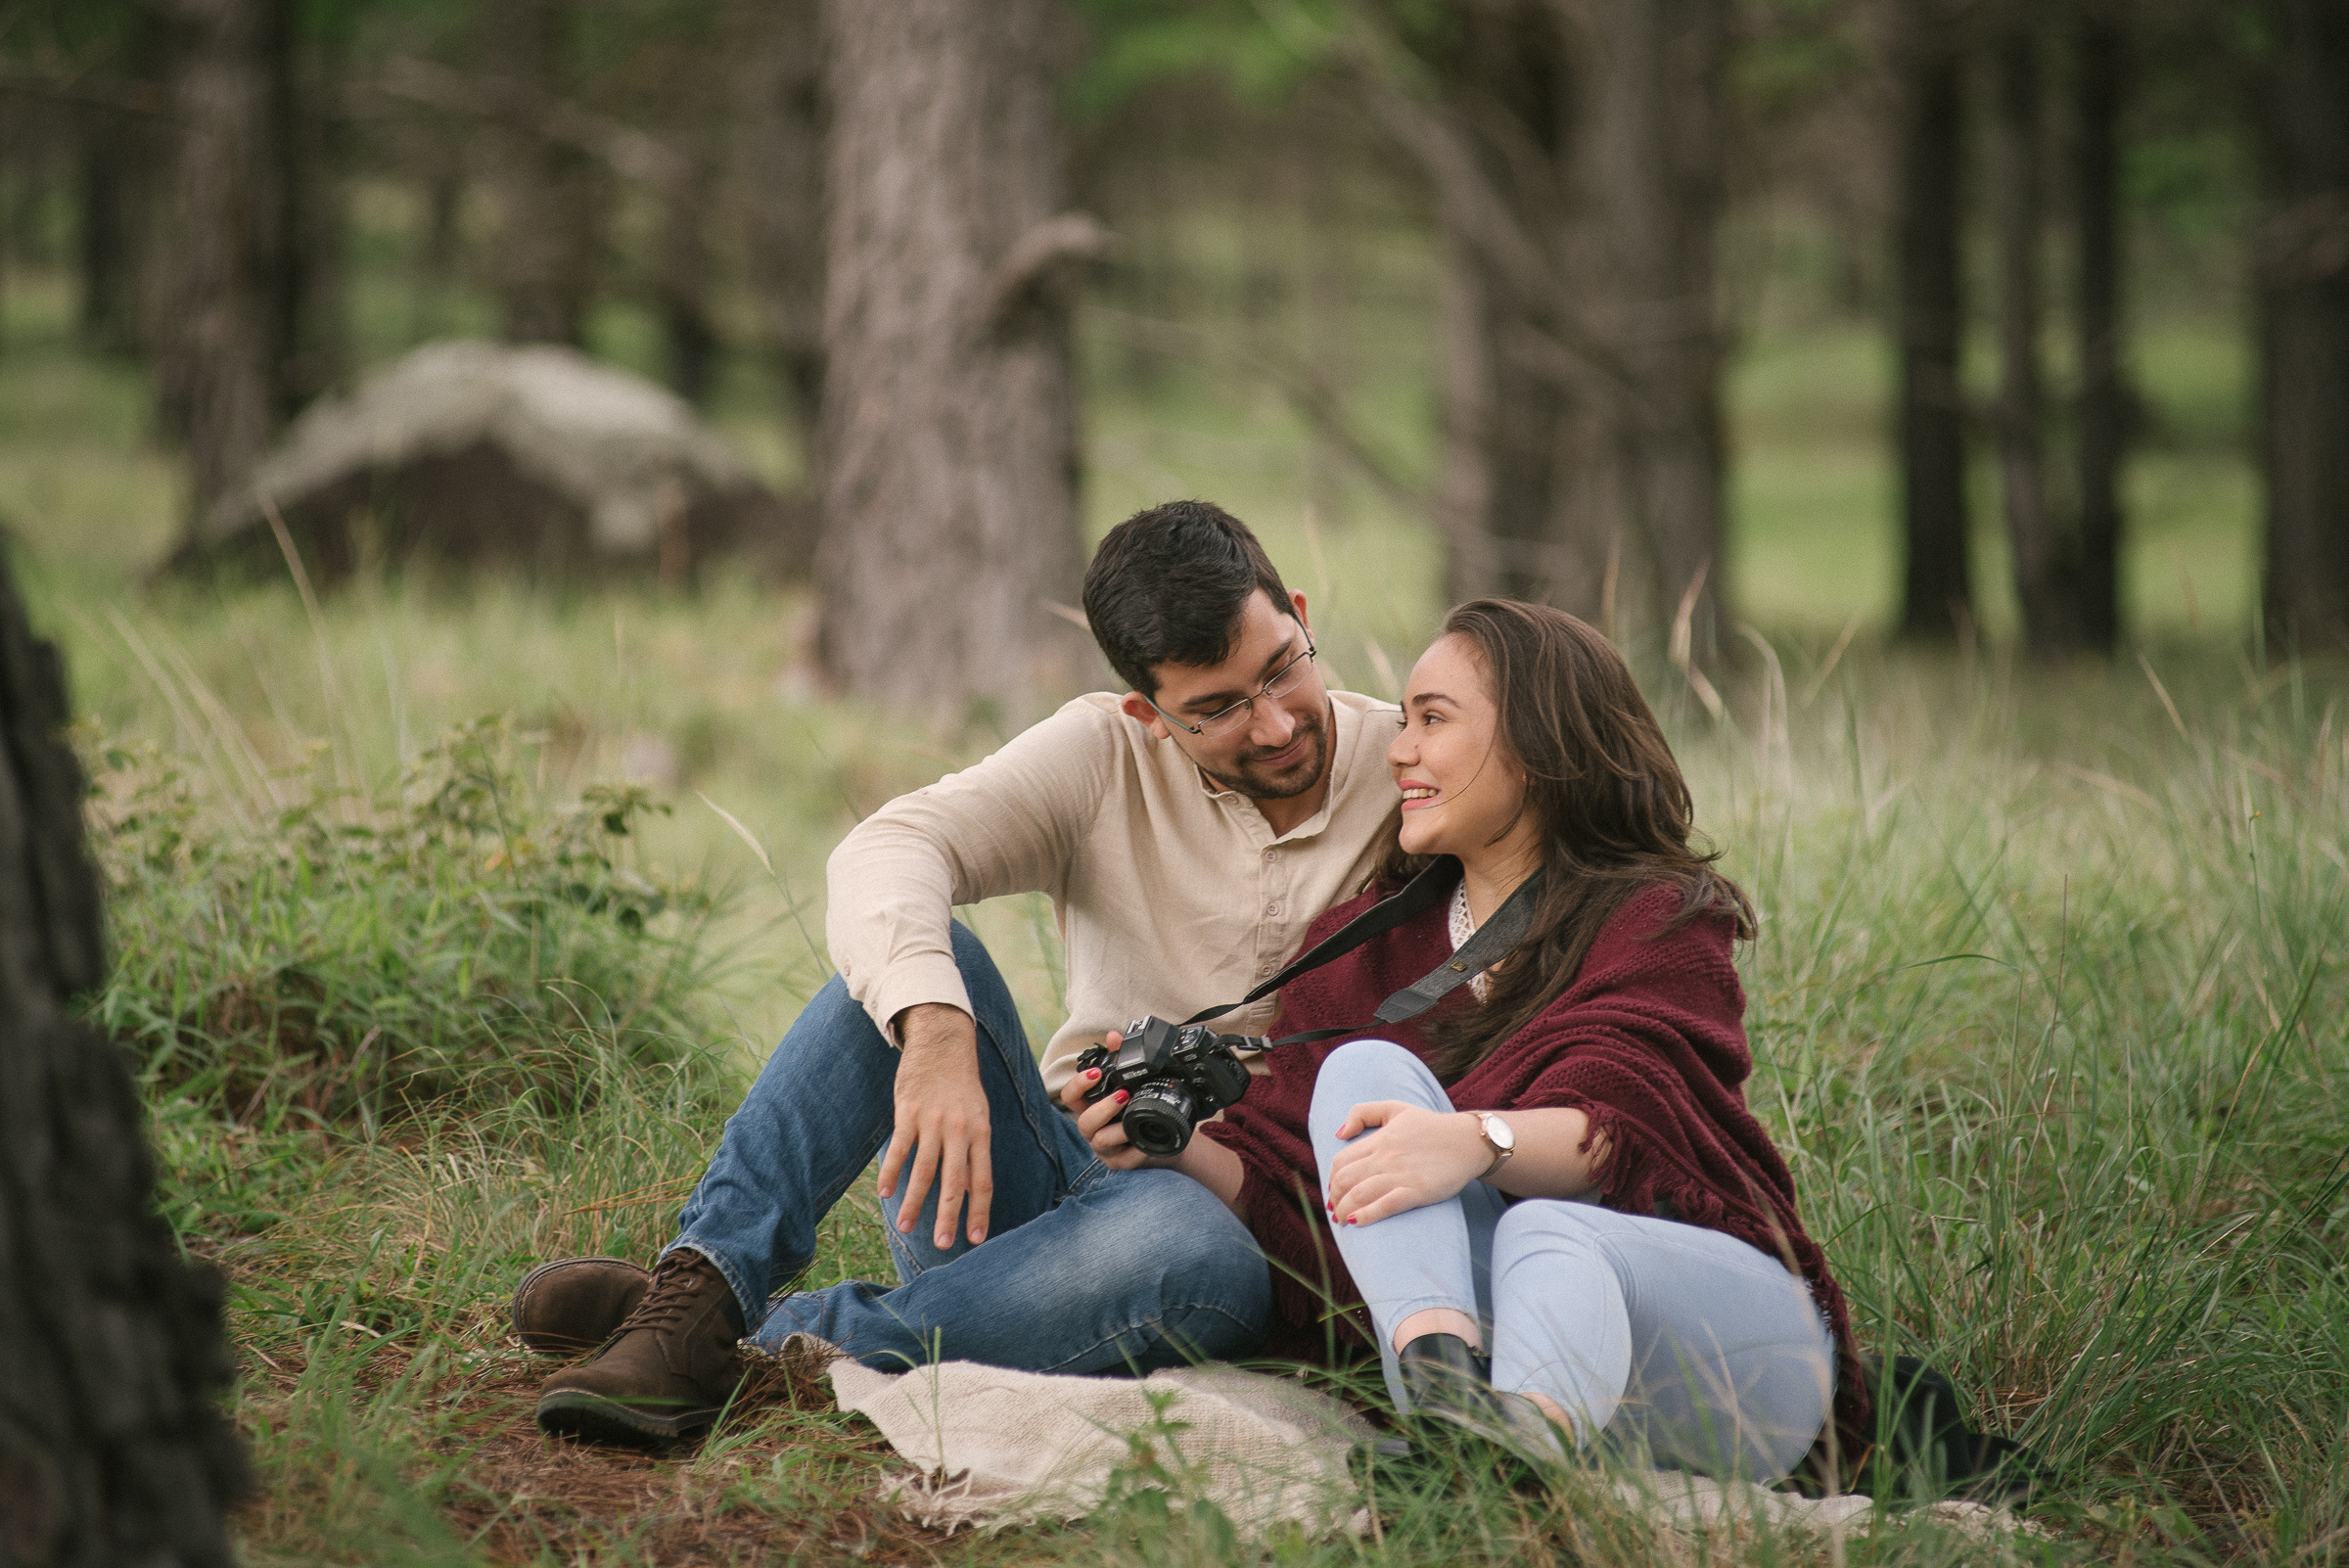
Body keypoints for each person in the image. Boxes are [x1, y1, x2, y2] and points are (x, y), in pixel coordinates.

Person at [523, 500, 1404, 1444]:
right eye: (1218, 708)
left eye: (1281, 670)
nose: (1272, 725)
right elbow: (893, 845)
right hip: (1030, 1178)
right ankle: (701, 1287)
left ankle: (747, 1335)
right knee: (917, 969)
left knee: (1190, 1245)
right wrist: (937, 1034)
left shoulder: (1416, 771)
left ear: (1302, 616)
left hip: (1229, 1221)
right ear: (1149, 714)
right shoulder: (1102, 754)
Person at [1061, 599, 1869, 1482]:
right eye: (1402, 722)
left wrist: (1474, 1142)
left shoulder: (1655, 915)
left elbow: (1629, 1123)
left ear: (1538, 745)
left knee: (1550, 1237)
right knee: (1366, 1069)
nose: (1397, 750)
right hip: (1509, 1349)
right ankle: (1462, 1423)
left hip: (1725, 1357)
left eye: (1433, 721)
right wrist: (1177, 1152)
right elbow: (1317, 1217)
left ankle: (1506, 1447)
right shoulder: (1362, 949)